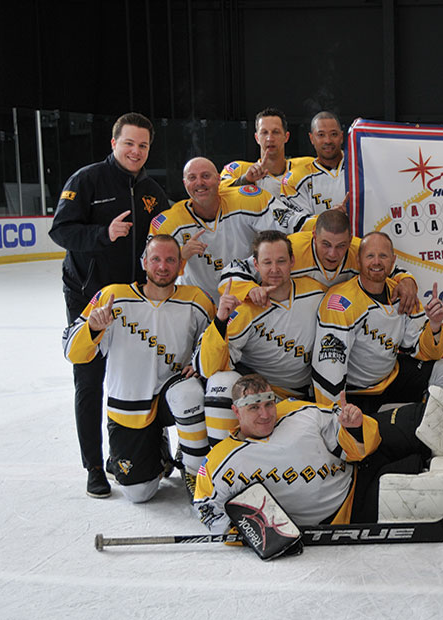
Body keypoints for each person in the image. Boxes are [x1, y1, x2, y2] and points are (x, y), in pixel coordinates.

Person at [49, 112, 170, 497]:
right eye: (129, 143)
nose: (136, 151)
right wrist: (105, 233)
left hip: (135, 302)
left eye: (143, 145)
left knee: (144, 376)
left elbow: (165, 238)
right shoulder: (87, 180)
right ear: (114, 143)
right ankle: (94, 467)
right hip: (90, 297)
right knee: (90, 379)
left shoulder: (152, 189)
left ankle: (150, 449)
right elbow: (61, 230)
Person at [193, 374, 443, 530]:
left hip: (360, 463)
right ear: (236, 412)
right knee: (418, 482)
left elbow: (350, 448)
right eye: (254, 408)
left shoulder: (297, 411)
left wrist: (351, 426)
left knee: (421, 417)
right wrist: (246, 534)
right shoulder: (222, 462)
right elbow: (207, 508)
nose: (266, 414)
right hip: (350, 511)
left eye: (268, 404)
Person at [62, 235, 214, 502]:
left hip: (173, 395)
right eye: (156, 259)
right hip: (130, 405)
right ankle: (157, 448)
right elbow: (72, 351)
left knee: (190, 393)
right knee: (138, 493)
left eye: (170, 260)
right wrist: (93, 328)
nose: (163, 266)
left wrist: (198, 361)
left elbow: (213, 342)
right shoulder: (113, 297)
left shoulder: (196, 300)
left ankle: (193, 471)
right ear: (144, 263)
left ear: (180, 265)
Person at [195, 231, 328, 457]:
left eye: (281, 261)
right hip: (260, 398)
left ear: (292, 262)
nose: (274, 269)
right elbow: (206, 368)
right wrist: (220, 320)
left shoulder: (315, 292)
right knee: (221, 381)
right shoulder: (244, 309)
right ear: (256, 264)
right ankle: (217, 463)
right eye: (267, 262)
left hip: (303, 397)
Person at [312, 232, 443, 411]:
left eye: (383, 256)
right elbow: (329, 372)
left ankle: (430, 429)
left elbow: (426, 353)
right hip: (355, 393)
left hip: (389, 379)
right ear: (358, 260)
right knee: (360, 436)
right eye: (370, 256)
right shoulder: (340, 301)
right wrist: (335, 417)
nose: (377, 262)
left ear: (393, 260)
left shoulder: (401, 293)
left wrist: (434, 324)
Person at [149, 157, 309, 304]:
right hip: (195, 305)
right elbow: (149, 267)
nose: (199, 183)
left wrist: (326, 222)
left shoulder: (246, 200)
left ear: (219, 179)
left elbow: (294, 222)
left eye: (206, 176)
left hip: (245, 299)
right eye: (192, 178)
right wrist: (180, 255)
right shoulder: (169, 222)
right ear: (185, 183)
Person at [220, 209, 420, 312]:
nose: (332, 254)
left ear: (350, 240)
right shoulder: (291, 248)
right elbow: (232, 270)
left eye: (341, 246)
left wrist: (407, 280)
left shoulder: (358, 250)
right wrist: (249, 289)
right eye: (325, 244)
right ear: (314, 234)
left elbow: (387, 267)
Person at [220, 108, 297, 199]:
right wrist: (246, 180)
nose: (270, 138)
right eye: (264, 132)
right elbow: (218, 194)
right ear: (257, 138)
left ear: (286, 137)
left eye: (275, 132)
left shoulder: (305, 169)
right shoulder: (238, 170)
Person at [282, 111, 348, 215]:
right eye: (321, 135)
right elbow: (299, 223)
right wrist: (331, 217)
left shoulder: (361, 168)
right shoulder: (296, 180)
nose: (328, 140)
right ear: (311, 138)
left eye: (334, 134)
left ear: (341, 136)